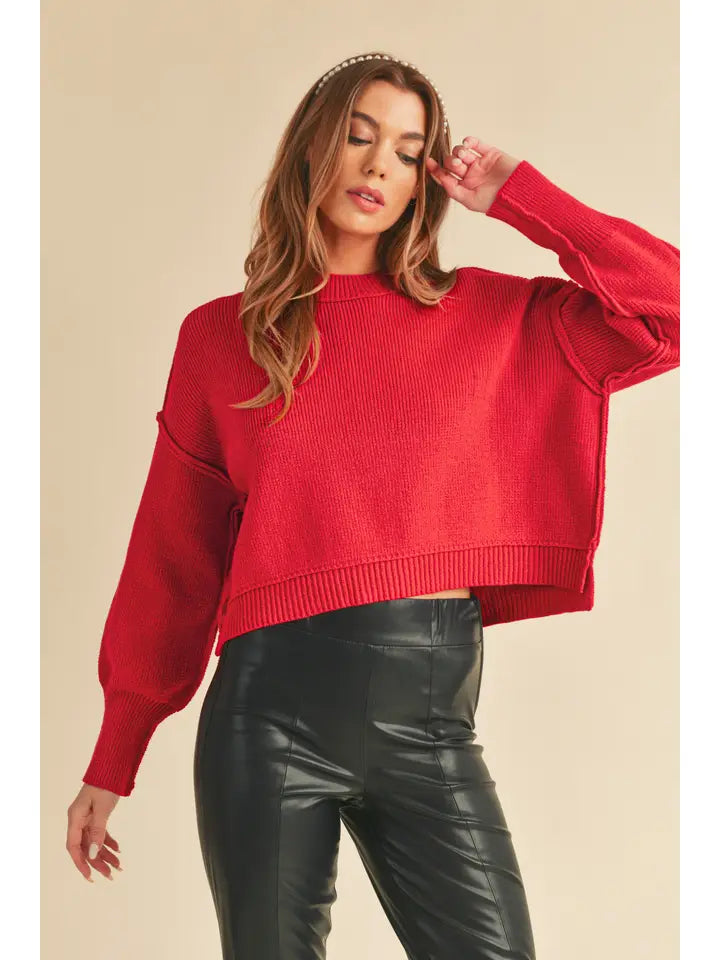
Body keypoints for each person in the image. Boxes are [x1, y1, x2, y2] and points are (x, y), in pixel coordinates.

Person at [65, 50, 679, 960]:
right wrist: (113, 757)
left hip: (429, 724)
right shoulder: (221, 337)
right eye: (358, 137)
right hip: (265, 720)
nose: (379, 166)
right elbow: (173, 557)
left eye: (407, 150)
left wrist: (523, 195)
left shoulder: (494, 317)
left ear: (426, 178)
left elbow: (675, 307)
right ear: (313, 151)